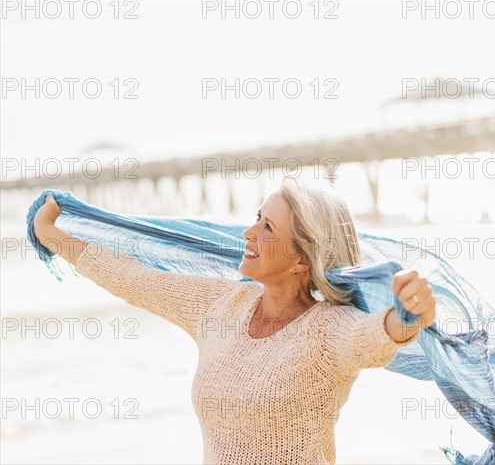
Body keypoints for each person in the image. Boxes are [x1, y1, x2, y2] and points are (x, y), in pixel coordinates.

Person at [33, 180, 436, 464]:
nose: (248, 232)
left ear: (301, 259)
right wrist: (50, 233)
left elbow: (371, 339)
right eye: (257, 217)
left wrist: (406, 315)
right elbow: (136, 280)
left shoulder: (327, 330)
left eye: (267, 227)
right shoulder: (221, 306)